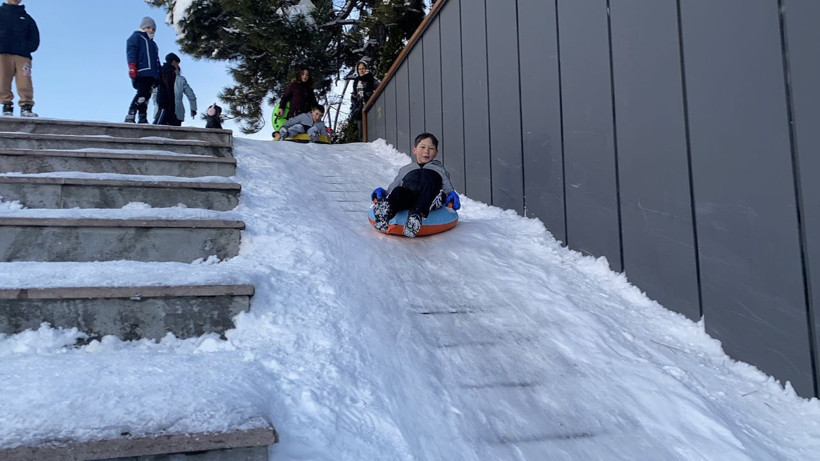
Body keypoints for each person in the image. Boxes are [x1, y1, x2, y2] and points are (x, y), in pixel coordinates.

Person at [371, 133, 461, 238]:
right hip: (410, 197)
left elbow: (447, 188)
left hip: (429, 197)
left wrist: (451, 195)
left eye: (431, 148)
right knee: (400, 190)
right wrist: (383, 193)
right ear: (414, 150)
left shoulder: (439, 170)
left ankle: (415, 216)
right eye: (422, 147)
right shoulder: (405, 169)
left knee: (432, 183)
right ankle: (386, 211)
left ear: (436, 153)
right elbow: (394, 186)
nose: (426, 151)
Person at [0, 0, 40, 117]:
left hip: (22, 56)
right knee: (2, 80)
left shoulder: (26, 18)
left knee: (25, 81)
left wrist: (27, 47)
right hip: (3, 53)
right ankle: (7, 106)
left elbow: (35, 37)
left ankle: (26, 107)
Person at [125, 17, 161, 123]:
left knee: (146, 97)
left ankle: (142, 116)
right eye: (148, 28)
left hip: (152, 74)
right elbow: (131, 51)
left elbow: (156, 60)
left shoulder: (153, 44)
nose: (151, 31)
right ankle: (131, 114)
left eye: (153, 29)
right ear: (143, 27)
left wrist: (158, 74)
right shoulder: (136, 37)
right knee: (141, 94)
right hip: (142, 71)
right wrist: (132, 65)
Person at [154, 53, 196, 126]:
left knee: (158, 132)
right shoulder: (181, 79)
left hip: (160, 108)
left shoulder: (160, 74)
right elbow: (191, 95)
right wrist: (193, 108)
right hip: (177, 111)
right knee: (175, 134)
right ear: (174, 62)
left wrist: (156, 104)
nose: (178, 65)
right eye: (177, 63)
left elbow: (154, 93)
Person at [349, 60, 379, 139]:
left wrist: (370, 94)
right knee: (361, 129)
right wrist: (354, 98)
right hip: (360, 107)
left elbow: (379, 89)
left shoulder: (372, 80)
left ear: (366, 69)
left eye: (363, 68)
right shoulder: (356, 81)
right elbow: (354, 92)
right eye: (359, 69)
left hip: (371, 105)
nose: (361, 71)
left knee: (372, 126)